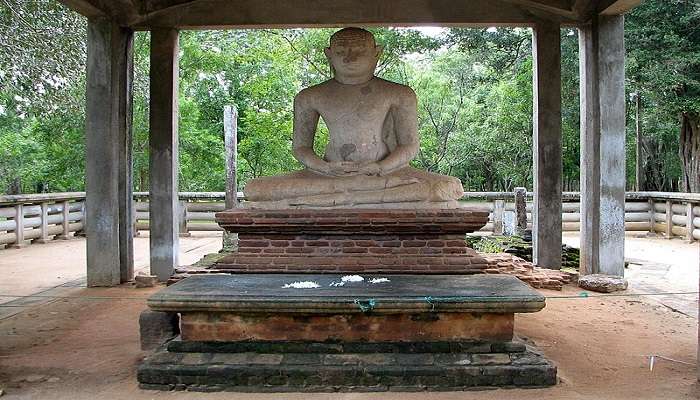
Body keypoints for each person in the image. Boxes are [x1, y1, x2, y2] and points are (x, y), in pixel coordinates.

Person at [244, 27, 464, 209]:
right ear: (329, 54)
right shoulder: (310, 96)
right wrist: (325, 168)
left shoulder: (399, 93)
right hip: (328, 177)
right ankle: (353, 195)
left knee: (444, 187)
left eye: (359, 50)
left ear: (376, 53)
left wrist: (380, 167)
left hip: (387, 174)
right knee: (255, 189)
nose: (350, 57)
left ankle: (338, 198)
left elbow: (409, 146)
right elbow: (301, 148)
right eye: (341, 52)